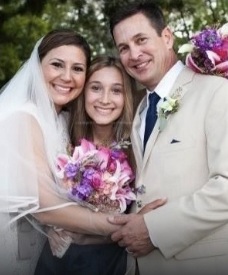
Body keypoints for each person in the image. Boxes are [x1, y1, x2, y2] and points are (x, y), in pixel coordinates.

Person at [108, 1, 228, 275]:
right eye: (123, 48)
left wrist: (154, 229)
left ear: (167, 37)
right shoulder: (139, 110)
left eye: (141, 40)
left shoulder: (217, 92)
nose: (134, 54)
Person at [35, 55, 141, 275]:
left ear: (126, 97)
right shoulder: (61, 135)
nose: (105, 99)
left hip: (111, 263)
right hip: (58, 261)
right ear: (83, 92)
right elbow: (37, 198)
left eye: (116, 90)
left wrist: (86, 235)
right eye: (95, 88)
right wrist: (50, 228)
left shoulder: (137, 146)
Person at [0, 28, 91, 275]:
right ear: (37, 67)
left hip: (48, 255)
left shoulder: (63, 121)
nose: (67, 77)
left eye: (78, 69)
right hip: (14, 251)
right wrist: (115, 226)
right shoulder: (21, 117)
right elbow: (44, 203)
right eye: (57, 65)